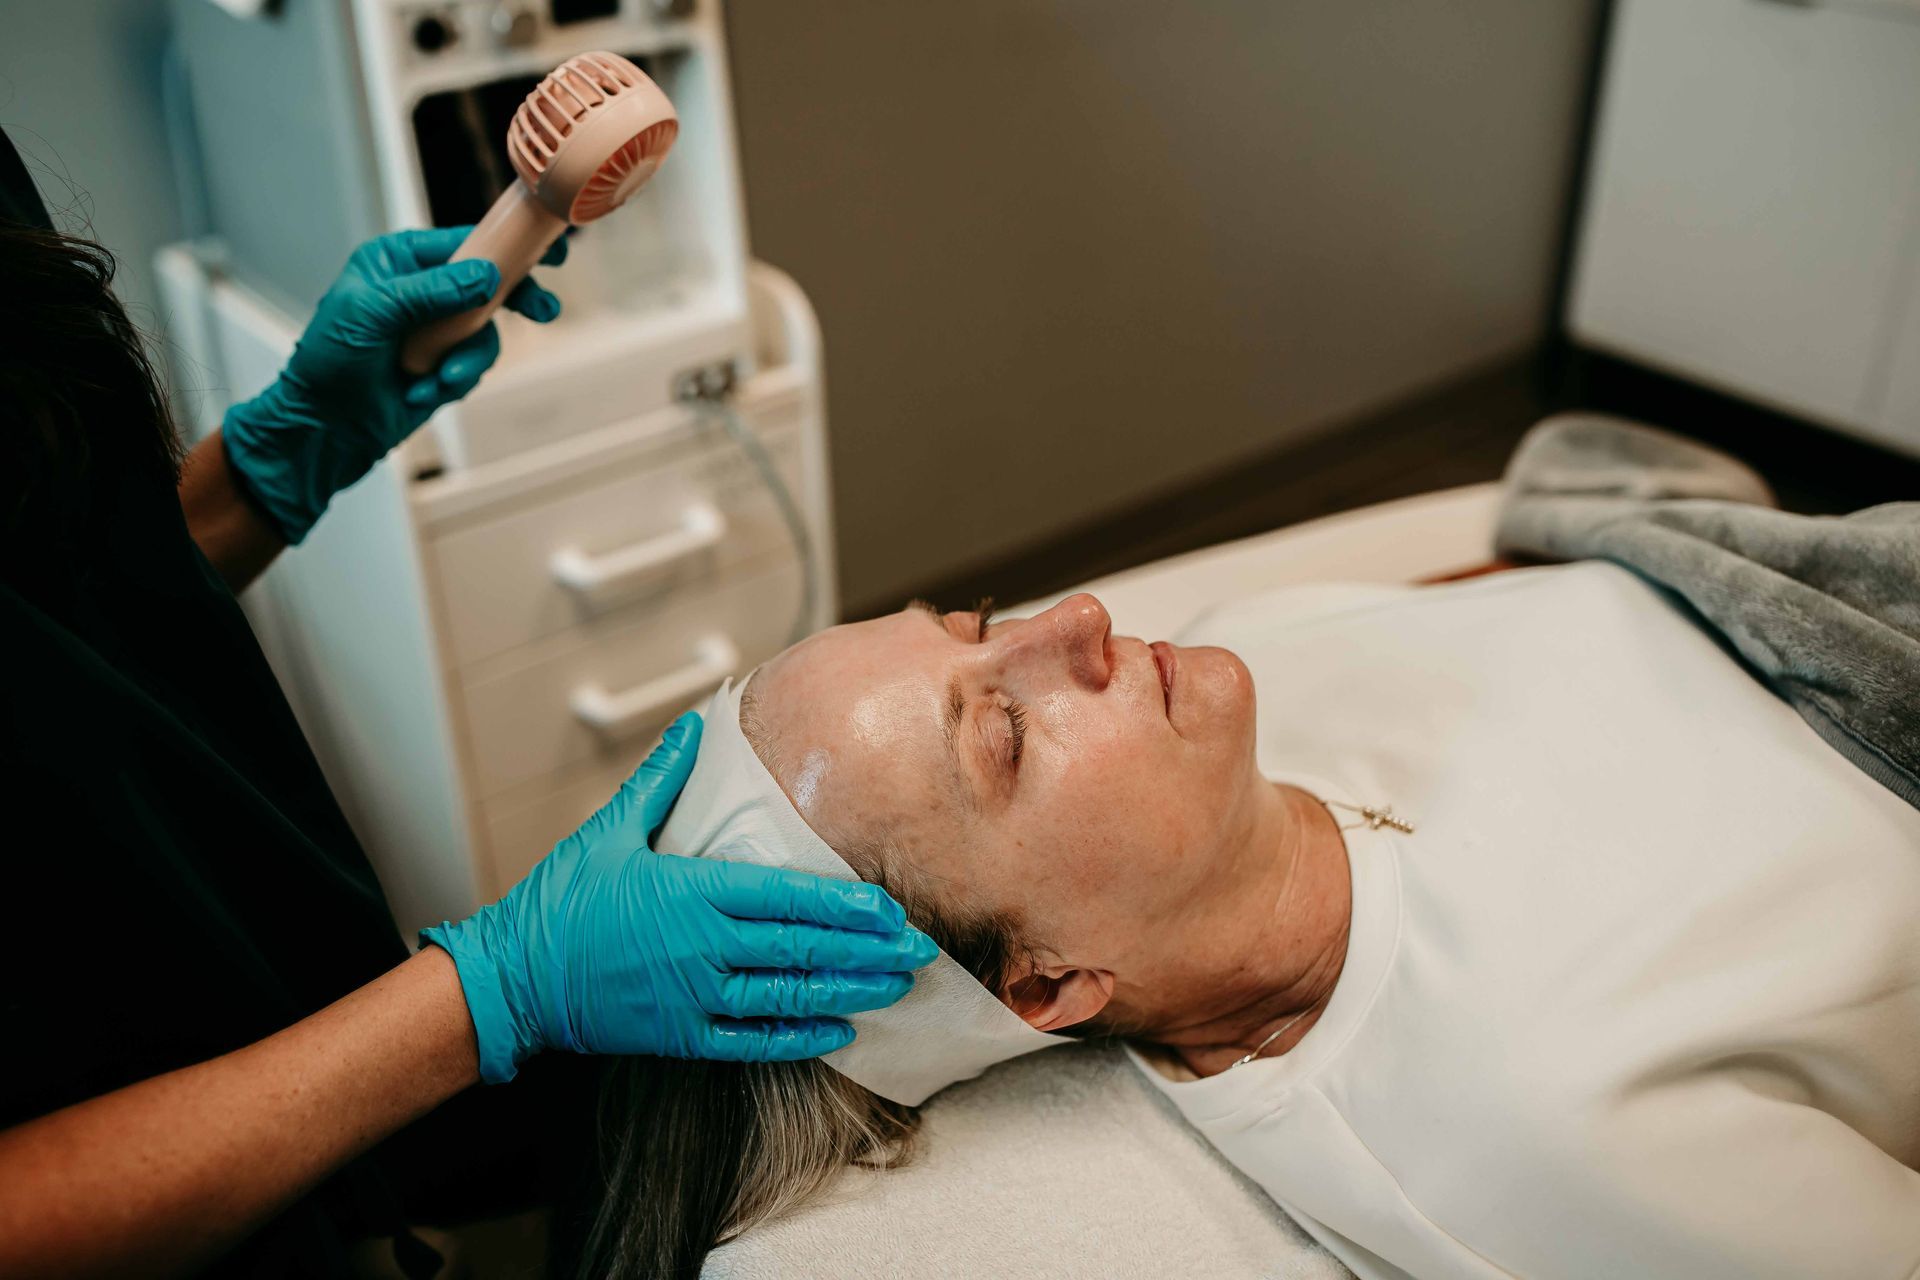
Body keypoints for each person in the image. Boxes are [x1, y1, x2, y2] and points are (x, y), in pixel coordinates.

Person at [0, 128, 936, 1279]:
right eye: (1000, 727)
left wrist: (273, 458)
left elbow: (50, 617)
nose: (1086, 619)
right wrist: (488, 991)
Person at [585, 570, 1920, 1279]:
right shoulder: (1533, 1123)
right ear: (1047, 984)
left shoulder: (1241, 653)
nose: (1082, 623)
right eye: (1004, 727)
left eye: (977, 628)